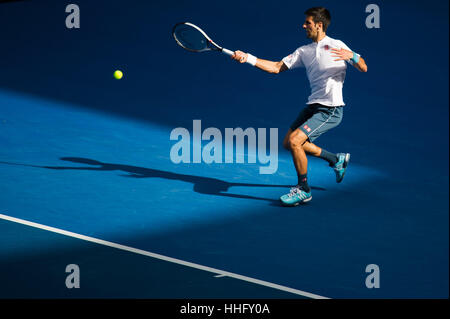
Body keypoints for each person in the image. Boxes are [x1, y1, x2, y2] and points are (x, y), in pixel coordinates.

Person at [231, 7, 368, 206]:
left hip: (331, 109)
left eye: (308, 23)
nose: (303, 26)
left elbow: (363, 67)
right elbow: (277, 67)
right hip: (312, 106)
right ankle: (335, 159)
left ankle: (304, 189)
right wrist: (248, 58)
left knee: (296, 141)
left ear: (319, 25)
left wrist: (352, 56)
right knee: (289, 143)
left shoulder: (337, 45)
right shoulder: (304, 51)